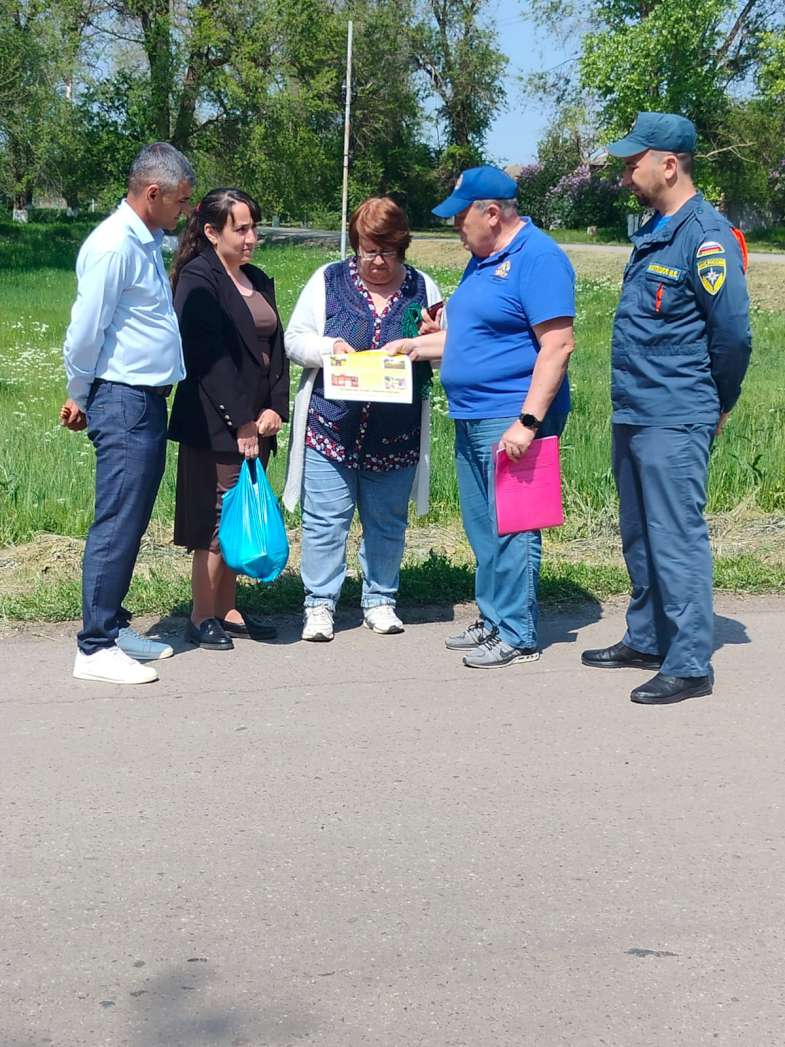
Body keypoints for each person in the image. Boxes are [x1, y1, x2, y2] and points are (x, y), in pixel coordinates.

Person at [581, 113, 752, 704]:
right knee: (639, 534)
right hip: (636, 406)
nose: (626, 175)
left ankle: (690, 662)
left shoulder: (706, 237)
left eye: (634, 164)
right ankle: (649, 637)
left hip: (676, 412)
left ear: (669, 165)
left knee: (675, 537)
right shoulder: (657, 229)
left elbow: (733, 336)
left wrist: (720, 401)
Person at [383, 166, 576, 668]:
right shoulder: (483, 260)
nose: (454, 225)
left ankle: (518, 633)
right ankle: (493, 617)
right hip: (472, 414)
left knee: (514, 527)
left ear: (492, 213)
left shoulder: (539, 258)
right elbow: (472, 338)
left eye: (460, 216)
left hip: (511, 415)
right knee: (483, 527)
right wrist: (415, 346)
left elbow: (558, 345)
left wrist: (528, 422)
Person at [60, 142, 194, 685]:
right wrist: (79, 393)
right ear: (153, 193)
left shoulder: (145, 241)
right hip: (122, 399)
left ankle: (113, 627)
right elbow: (84, 332)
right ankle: (94, 647)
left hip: (144, 400)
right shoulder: (115, 246)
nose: (185, 210)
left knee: (132, 518)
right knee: (117, 521)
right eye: (181, 200)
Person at [283, 197, 441, 642]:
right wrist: (328, 348)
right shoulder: (328, 281)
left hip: (396, 433)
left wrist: (429, 342)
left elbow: (447, 353)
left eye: (386, 252)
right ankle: (319, 604)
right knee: (325, 521)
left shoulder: (423, 288)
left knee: (387, 522)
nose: (376, 261)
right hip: (331, 427)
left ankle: (380, 600)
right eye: (368, 251)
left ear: (401, 248)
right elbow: (294, 340)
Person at [168, 189, 289, 651]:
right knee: (216, 520)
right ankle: (201, 615)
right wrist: (241, 420)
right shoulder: (198, 278)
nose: (251, 237)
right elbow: (207, 359)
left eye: (254, 227)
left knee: (241, 513)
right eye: (241, 229)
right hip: (216, 423)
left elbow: (275, 351)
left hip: (257, 421)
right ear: (212, 232)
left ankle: (228, 608)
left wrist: (275, 407)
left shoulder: (254, 277)